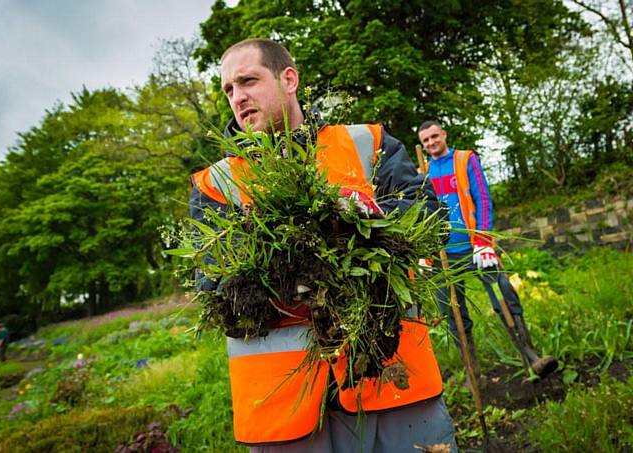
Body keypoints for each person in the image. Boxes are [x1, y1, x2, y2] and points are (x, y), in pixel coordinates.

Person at [189, 39, 457, 452]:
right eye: (228, 89)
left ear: (289, 79)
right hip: (284, 413)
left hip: (394, 386)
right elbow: (208, 283)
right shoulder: (217, 184)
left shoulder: (366, 143)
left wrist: (371, 221)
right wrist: (288, 267)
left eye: (248, 81)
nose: (238, 97)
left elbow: (430, 218)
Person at [418, 120, 558, 385]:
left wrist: (483, 241)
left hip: (474, 247)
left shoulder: (464, 160)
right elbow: (420, 214)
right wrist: (424, 253)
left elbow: (482, 197)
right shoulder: (421, 172)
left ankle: (531, 357)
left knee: (504, 291)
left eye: (434, 136)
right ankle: (474, 375)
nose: (431, 143)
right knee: (452, 313)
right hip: (443, 255)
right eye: (425, 140)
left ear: (444, 134)